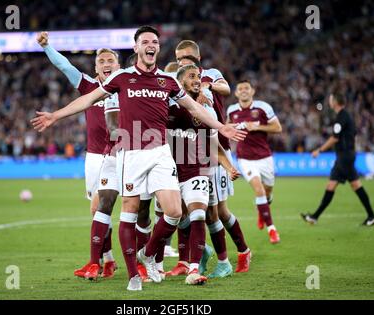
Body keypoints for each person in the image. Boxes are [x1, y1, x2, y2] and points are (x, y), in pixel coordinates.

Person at [31, 25, 246, 291]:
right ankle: (134, 274)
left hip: (160, 152)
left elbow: (192, 107)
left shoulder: (168, 82)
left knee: (175, 212)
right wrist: (55, 115)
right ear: (136, 48)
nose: (150, 44)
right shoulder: (122, 77)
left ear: (157, 47)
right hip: (131, 153)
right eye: (145, 41)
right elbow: (88, 100)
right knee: (130, 212)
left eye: (154, 41)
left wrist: (220, 127)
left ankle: (149, 253)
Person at [36, 32, 118, 278]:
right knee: (97, 210)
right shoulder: (89, 86)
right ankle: (108, 260)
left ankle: (146, 260)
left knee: (137, 206)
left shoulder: (127, 85)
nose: (105, 64)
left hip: (124, 153)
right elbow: (64, 65)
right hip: (95, 156)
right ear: (95, 67)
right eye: (101, 61)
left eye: (110, 60)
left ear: (118, 65)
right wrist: (47, 46)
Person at [175, 41, 251, 271]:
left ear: (198, 57)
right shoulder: (179, 78)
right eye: (179, 58)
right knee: (182, 208)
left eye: (187, 57)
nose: (183, 61)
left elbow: (226, 89)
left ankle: (236, 254)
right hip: (187, 150)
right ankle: (199, 252)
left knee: (216, 211)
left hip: (213, 146)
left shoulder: (209, 75)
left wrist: (202, 86)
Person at [301, 92, 374, 226]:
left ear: (335, 102)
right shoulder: (346, 116)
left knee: (355, 185)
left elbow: (334, 138)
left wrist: (319, 150)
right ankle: (314, 217)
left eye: (330, 99)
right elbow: (352, 133)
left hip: (345, 157)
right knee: (332, 186)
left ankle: (371, 216)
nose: (329, 101)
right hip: (344, 156)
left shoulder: (342, 117)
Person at [227, 80, 282, 244]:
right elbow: (226, 128)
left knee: (268, 192)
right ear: (236, 93)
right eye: (240, 89)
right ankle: (272, 230)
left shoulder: (263, 107)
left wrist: (257, 127)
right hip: (245, 159)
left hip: (265, 157)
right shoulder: (232, 111)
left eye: (246, 88)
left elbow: (277, 128)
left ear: (253, 91)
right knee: (259, 190)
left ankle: (262, 210)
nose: (243, 91)